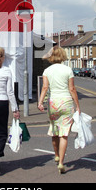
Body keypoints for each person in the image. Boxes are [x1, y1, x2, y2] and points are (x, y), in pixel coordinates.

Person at [37, 46, 81, 174]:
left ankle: (56, 155)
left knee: (54, 130)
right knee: (64, 134)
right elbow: (72, 89)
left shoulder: (47, 71)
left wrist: (40, 102)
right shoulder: (68, 70)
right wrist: (77, 106)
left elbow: (45, 88)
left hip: (53, 103)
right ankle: (61, 163)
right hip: (66, 102)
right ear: (62, 56)